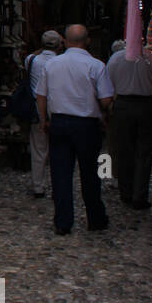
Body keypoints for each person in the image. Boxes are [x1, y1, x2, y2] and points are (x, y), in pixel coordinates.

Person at [35, 24, 114, 235]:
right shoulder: (96, 65)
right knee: (90, 173)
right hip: (87, 125)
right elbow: (106, 99)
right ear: (87, 41)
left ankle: (63, 221)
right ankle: (95, 218)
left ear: (66, 42)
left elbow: (41, 95)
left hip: (59, 123)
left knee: (60, 174)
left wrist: (44, 120)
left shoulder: (52, 65)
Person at [106, 43, 152, 209]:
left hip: (123, 105)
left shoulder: (116, 58)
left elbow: (107, 85)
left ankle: (126, 192)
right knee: (144, 152)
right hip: (147, 105)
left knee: (125, 150)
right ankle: (139, 195)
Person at [26, 30, 63, 196]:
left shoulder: (31, 60)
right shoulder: (60, 62)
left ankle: (38, 185)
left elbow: (33, 55)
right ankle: (57, 186)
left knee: (38, 148)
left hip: (35, 107)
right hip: (57, 108)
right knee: (58, 149)